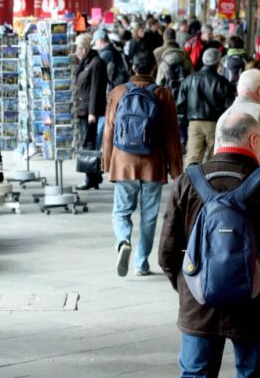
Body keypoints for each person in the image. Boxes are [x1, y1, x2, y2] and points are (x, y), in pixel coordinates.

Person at [159, 112, 260, 378]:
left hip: (198, 306)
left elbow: (167, 253)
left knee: (196, 374)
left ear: (218, 139)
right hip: (253, 304)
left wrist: (187, 285)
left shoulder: (189, 181)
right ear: (252, 140)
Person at [103, 51, 183, 277]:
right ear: (154, 68)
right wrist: (176, 168)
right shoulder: (163, 94)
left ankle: (123, 242)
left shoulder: (118, 92)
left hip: (123, 161)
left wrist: (107, 162)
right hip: (153, 163)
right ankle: (141, 263)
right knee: (149, 216)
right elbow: (171, 135)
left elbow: (109, 130)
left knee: (120, 211)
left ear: (133, 68)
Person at [177, 48, 234, 165]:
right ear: (218, 62)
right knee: (215, 158)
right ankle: (211, 182)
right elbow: (230, 106)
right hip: (215, 124)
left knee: (193, 158)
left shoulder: (189, 80)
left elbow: (180, 105)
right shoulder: (222, 82)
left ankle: (191, 182)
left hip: (194, 124)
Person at [73, 33, 108, 190]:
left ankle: (90, 177)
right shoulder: (86, 62)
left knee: (88, 144)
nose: (76, 51)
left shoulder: (95, 63)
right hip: (83, 109)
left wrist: (92, 112)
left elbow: (95, 89)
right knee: (89, 143)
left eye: (78, 48)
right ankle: (95, 176)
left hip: (89, 110)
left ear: (85, 48)